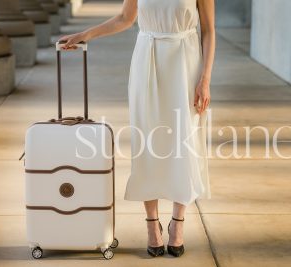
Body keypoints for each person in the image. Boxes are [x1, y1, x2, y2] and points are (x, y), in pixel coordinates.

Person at [59, 0, 215, 258]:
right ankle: (152, 223)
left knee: (184, 140)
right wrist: (87, 34)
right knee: (146, 141)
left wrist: (205, 79)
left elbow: (208, 31)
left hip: (186, 63)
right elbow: (124, 18)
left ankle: (178, 221)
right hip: (147, 59)